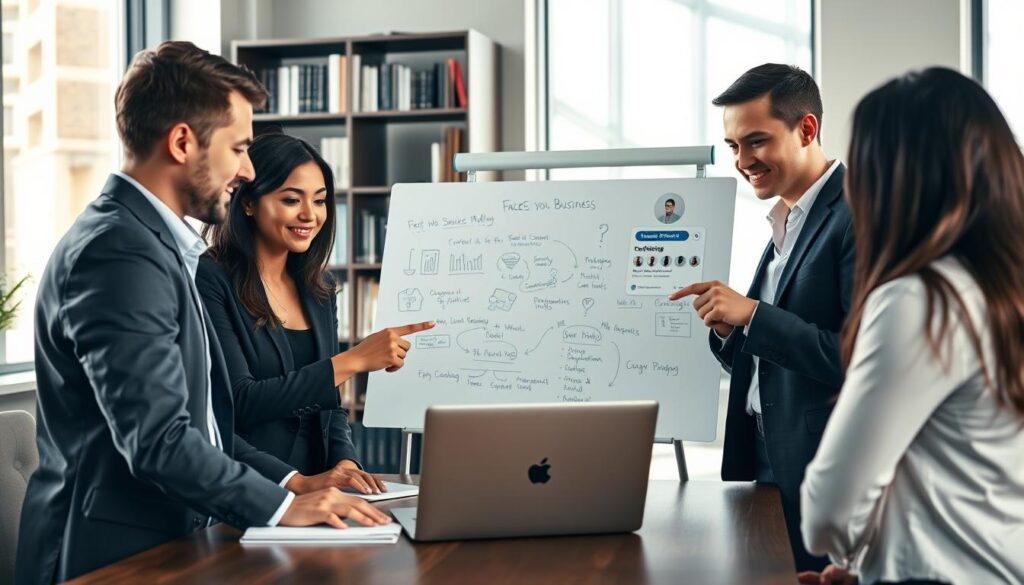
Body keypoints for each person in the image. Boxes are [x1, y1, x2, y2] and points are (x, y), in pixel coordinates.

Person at [15, 42, 391, 585]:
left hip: (175, 534)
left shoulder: (153, 244)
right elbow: (161, 440)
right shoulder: (119, 252)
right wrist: (283, 505)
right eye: (238, 148)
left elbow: (208, 421)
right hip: (111, 555)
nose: (245, 169)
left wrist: (292, 487)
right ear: (183, 142)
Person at [800, 68, 1024, 584]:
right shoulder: (1002, 293)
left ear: (893, 180)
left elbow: (827, 515)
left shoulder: (922, 299)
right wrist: (870, 564)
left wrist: (867, 557)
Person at [668, 63, 852, 572]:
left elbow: (858, 359)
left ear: (807, 129)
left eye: (756, 142)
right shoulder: (785, 219)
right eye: (732, 146)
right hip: (768, 456)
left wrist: (752, 312)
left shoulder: (856, 214)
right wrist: (733, 330)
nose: (743, 161)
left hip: (821, 465)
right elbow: (773, 356)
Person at [197, 132, 433, 492]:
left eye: (320, 201)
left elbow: (330, 405)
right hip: (254, 490)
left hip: (325, 491)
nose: (310, 215)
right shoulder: (211, 278)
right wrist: (352, 361)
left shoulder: (319, 287)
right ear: (248, 202)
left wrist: (345, 463)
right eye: (292, 199)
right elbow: (235, 404)